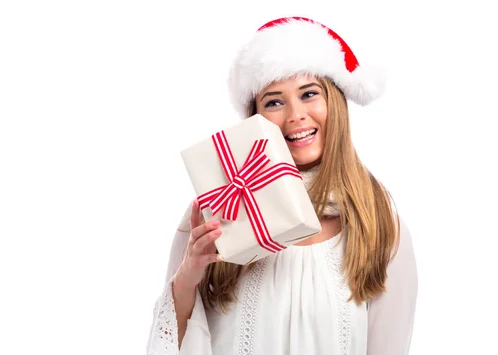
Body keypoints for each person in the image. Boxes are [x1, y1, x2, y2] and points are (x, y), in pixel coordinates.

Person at [146, 16, 418, 355]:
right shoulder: (217, 212)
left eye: (309, 94)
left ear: (336, 102)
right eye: (274, 101)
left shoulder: (378, 225)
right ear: (255, 117)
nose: (295, 115)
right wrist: (188, 276)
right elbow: (169, 343)